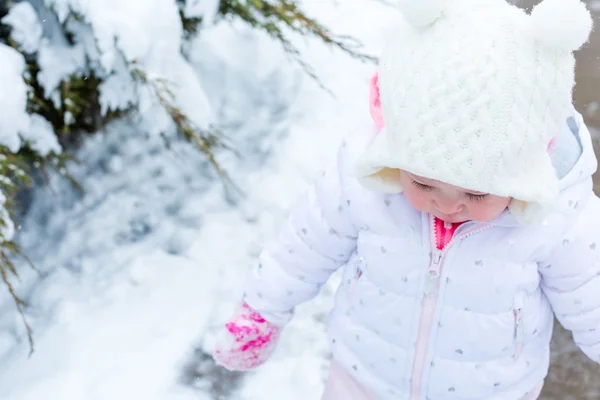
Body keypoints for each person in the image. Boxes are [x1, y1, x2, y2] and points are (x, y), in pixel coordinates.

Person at [211, 0, 600, 398]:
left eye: (477, 192)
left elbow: (591, 291)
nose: (448, 205)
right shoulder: (366, 180)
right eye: (424, 184)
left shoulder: (559, 214)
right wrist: (261, 311)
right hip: (362, 377)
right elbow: (304, 247)